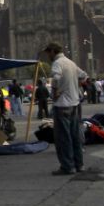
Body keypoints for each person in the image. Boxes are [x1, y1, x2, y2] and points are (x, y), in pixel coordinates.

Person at [44, 42, 87, 175]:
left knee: (63, 138)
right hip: (74, 104)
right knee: (75, 136)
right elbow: (84, 75)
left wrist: (56, 91)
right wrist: (74, 86)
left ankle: (67, 166)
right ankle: (79, 164)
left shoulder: (57, 63)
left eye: (48, 53)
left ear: (52, 51)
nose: (47, 57)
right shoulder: (70, 62)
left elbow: (56, 78)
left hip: (62, 105)